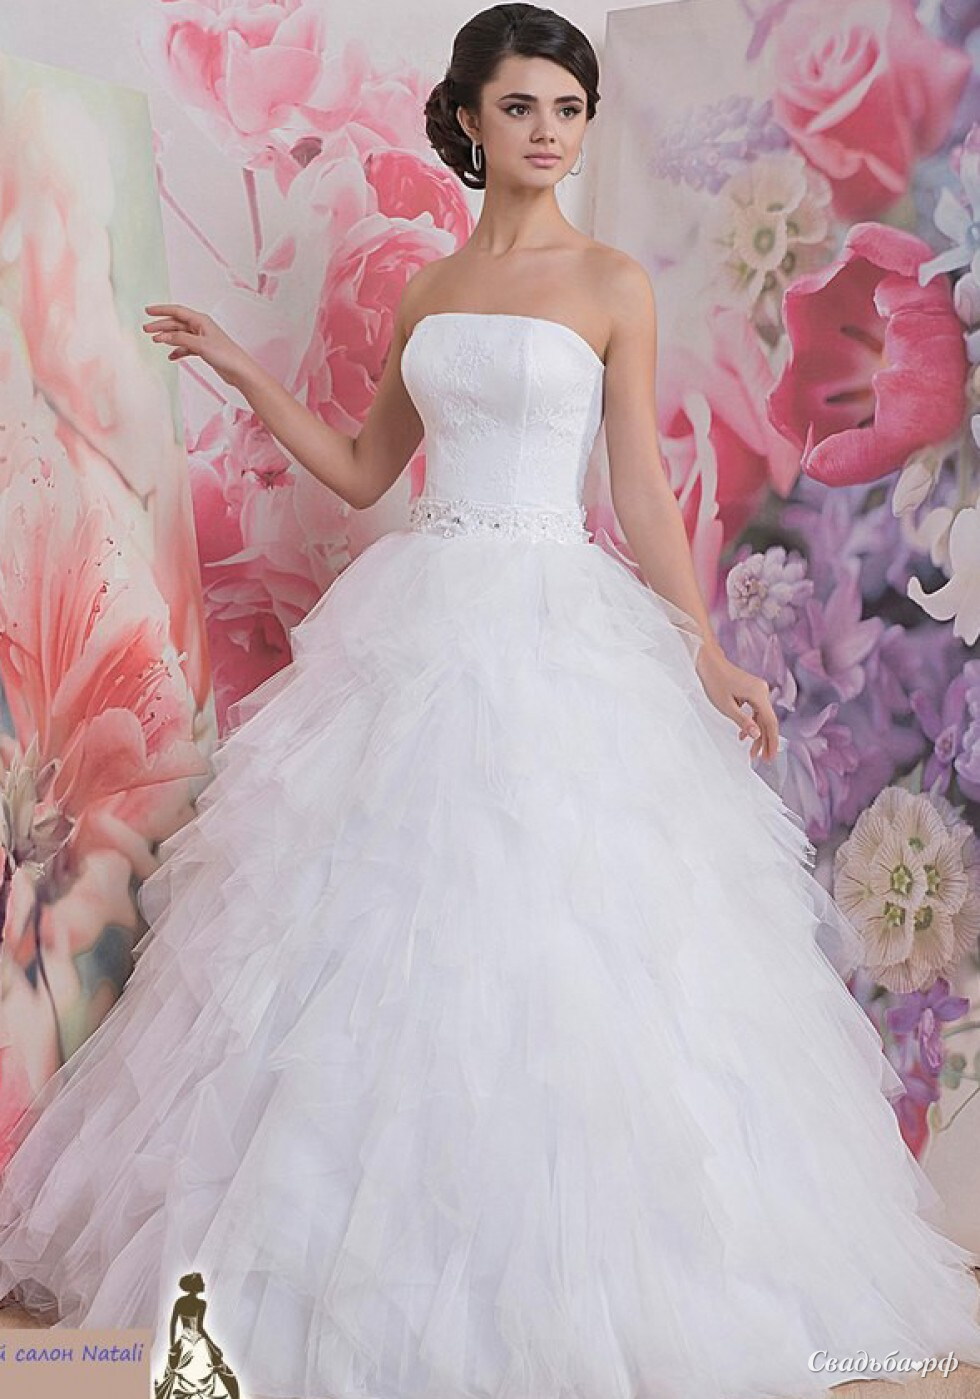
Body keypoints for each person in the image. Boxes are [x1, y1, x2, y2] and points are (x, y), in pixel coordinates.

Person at [1, 4, 980, 1397]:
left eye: (569, 110)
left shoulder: (612, 281)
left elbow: (637, 485)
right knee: (370, 944)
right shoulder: (430, 290)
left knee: (564, 937)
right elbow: (362, 469)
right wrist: (238, 365)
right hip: (418, 617)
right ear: (468, 117)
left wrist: (704, 649)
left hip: (557, 619)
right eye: (522, 106)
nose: (549, 133)